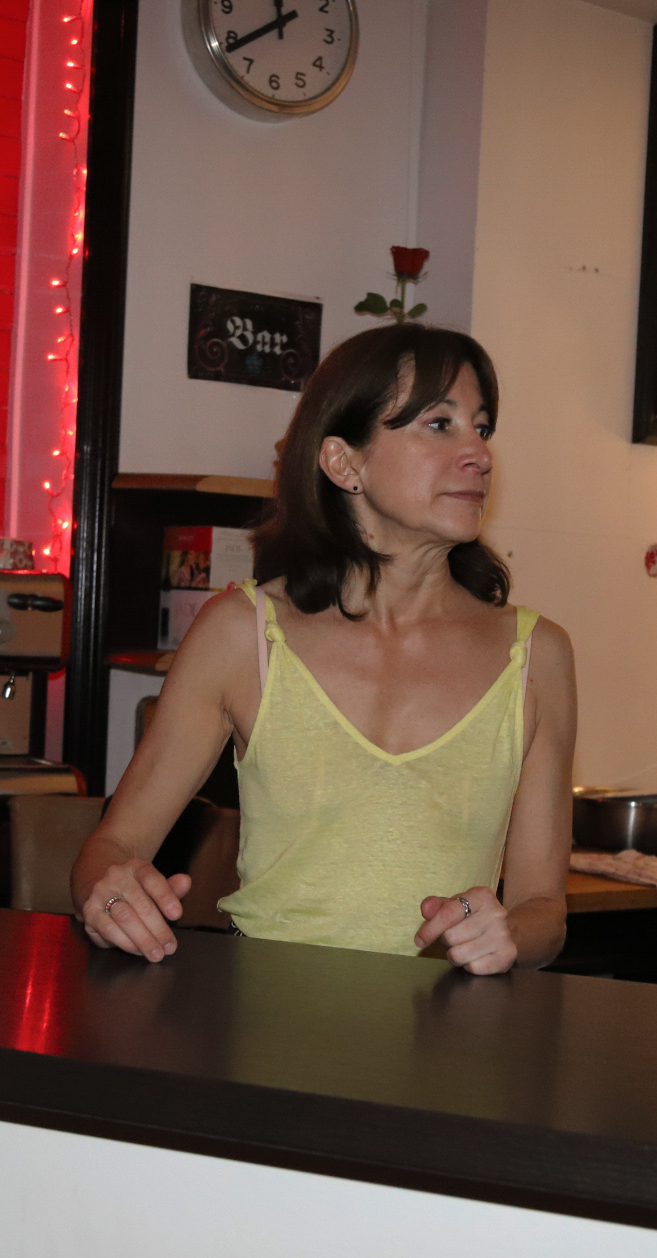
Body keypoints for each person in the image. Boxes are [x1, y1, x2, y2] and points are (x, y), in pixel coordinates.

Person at [70, 324, 576, 974]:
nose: (478, 453)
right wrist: (110, 893)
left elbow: (543, 909)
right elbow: (111, 847)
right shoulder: (241, 633)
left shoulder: (537, 655)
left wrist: (508, 935)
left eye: (481, 428)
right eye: (439, 424)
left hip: (447, 1030)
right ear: (344, 463)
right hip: (265, 1021)